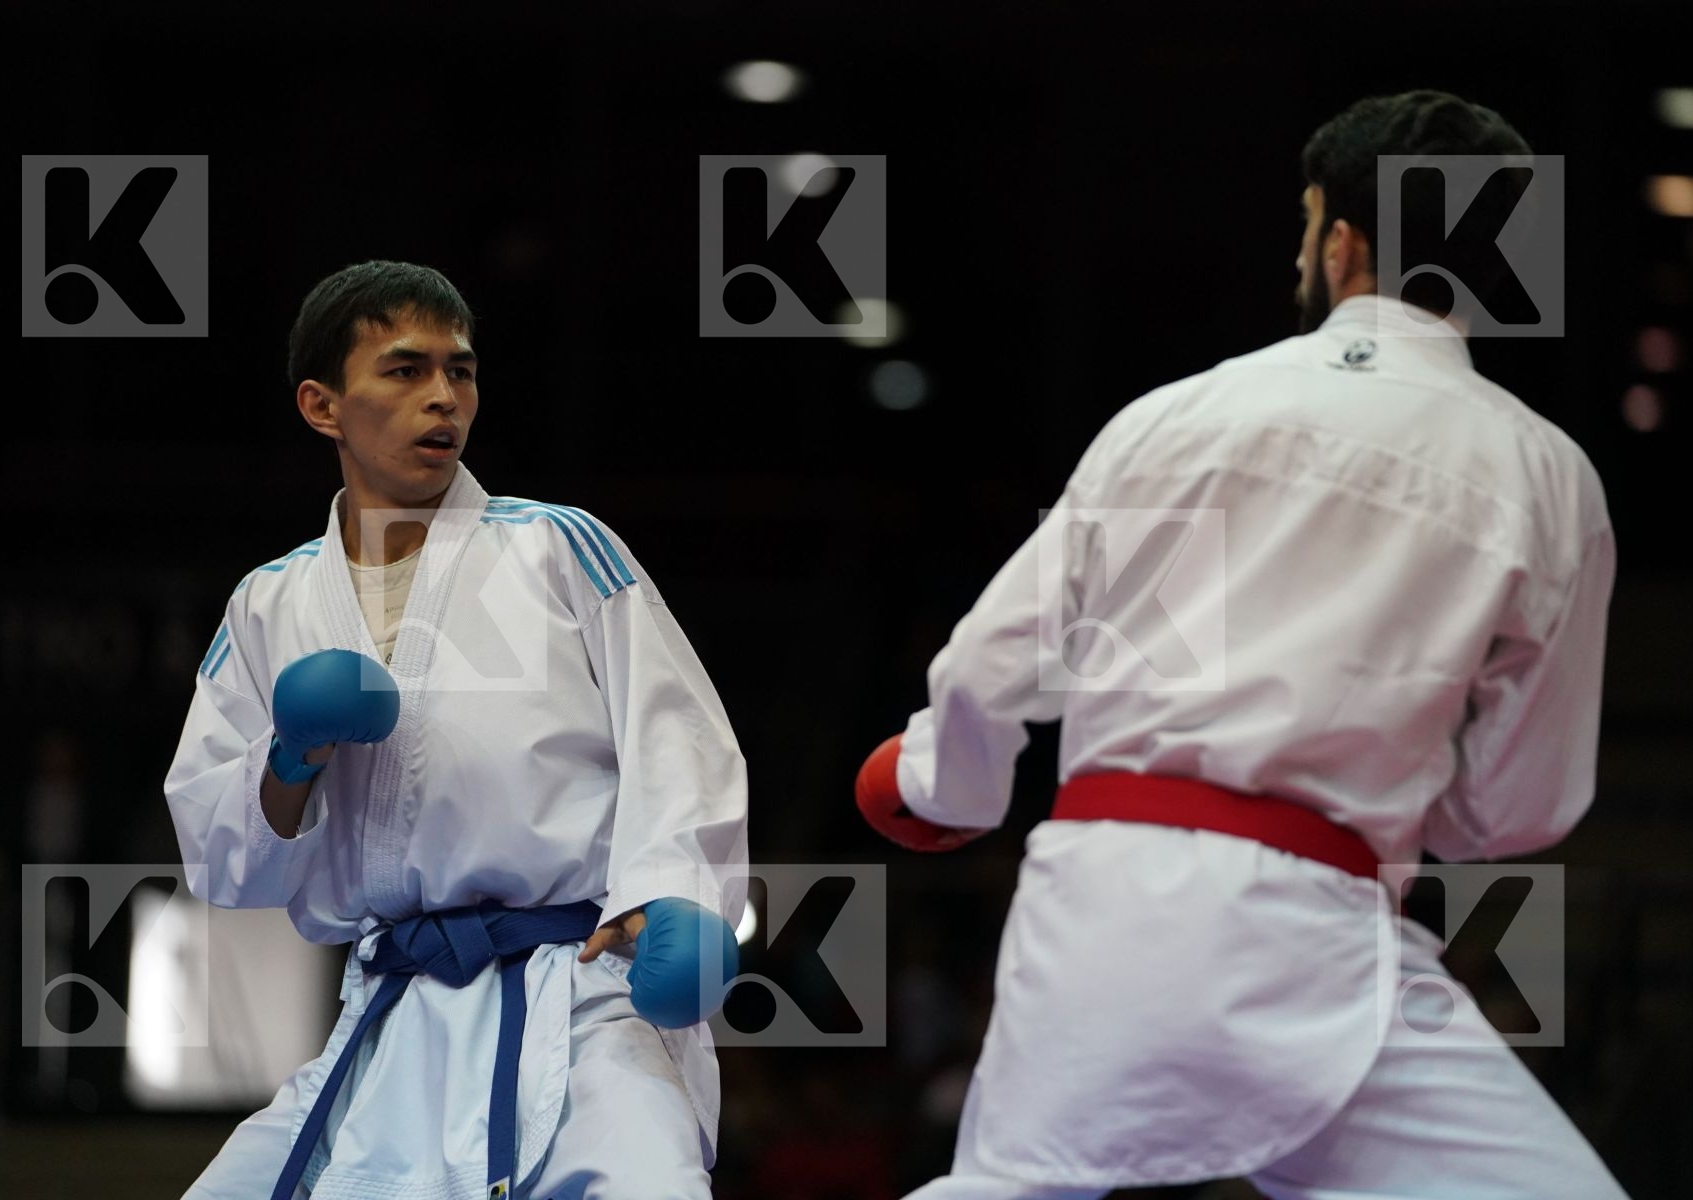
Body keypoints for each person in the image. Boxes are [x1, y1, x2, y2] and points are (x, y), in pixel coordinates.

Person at [856, 91, 1627, 1198]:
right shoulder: (1547, 475)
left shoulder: (1179, 415)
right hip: (1329, 933)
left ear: (1345, 243)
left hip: (1111, 911)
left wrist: (946, 787)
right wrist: (1409, 801)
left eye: (1308, 222)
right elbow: (1517, 812)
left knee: (1011, 1187)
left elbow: (994, 666)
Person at [165, 260, 747, 1199]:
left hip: (581, 998)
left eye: (460, 371)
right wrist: (291, 757)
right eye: (404, 371)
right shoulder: (268, 603)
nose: (443, 397)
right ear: (323, 406)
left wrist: (681, 892)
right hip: (394, 1011)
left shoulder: (557, 545)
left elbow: (676, 732)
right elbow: (223, 861)